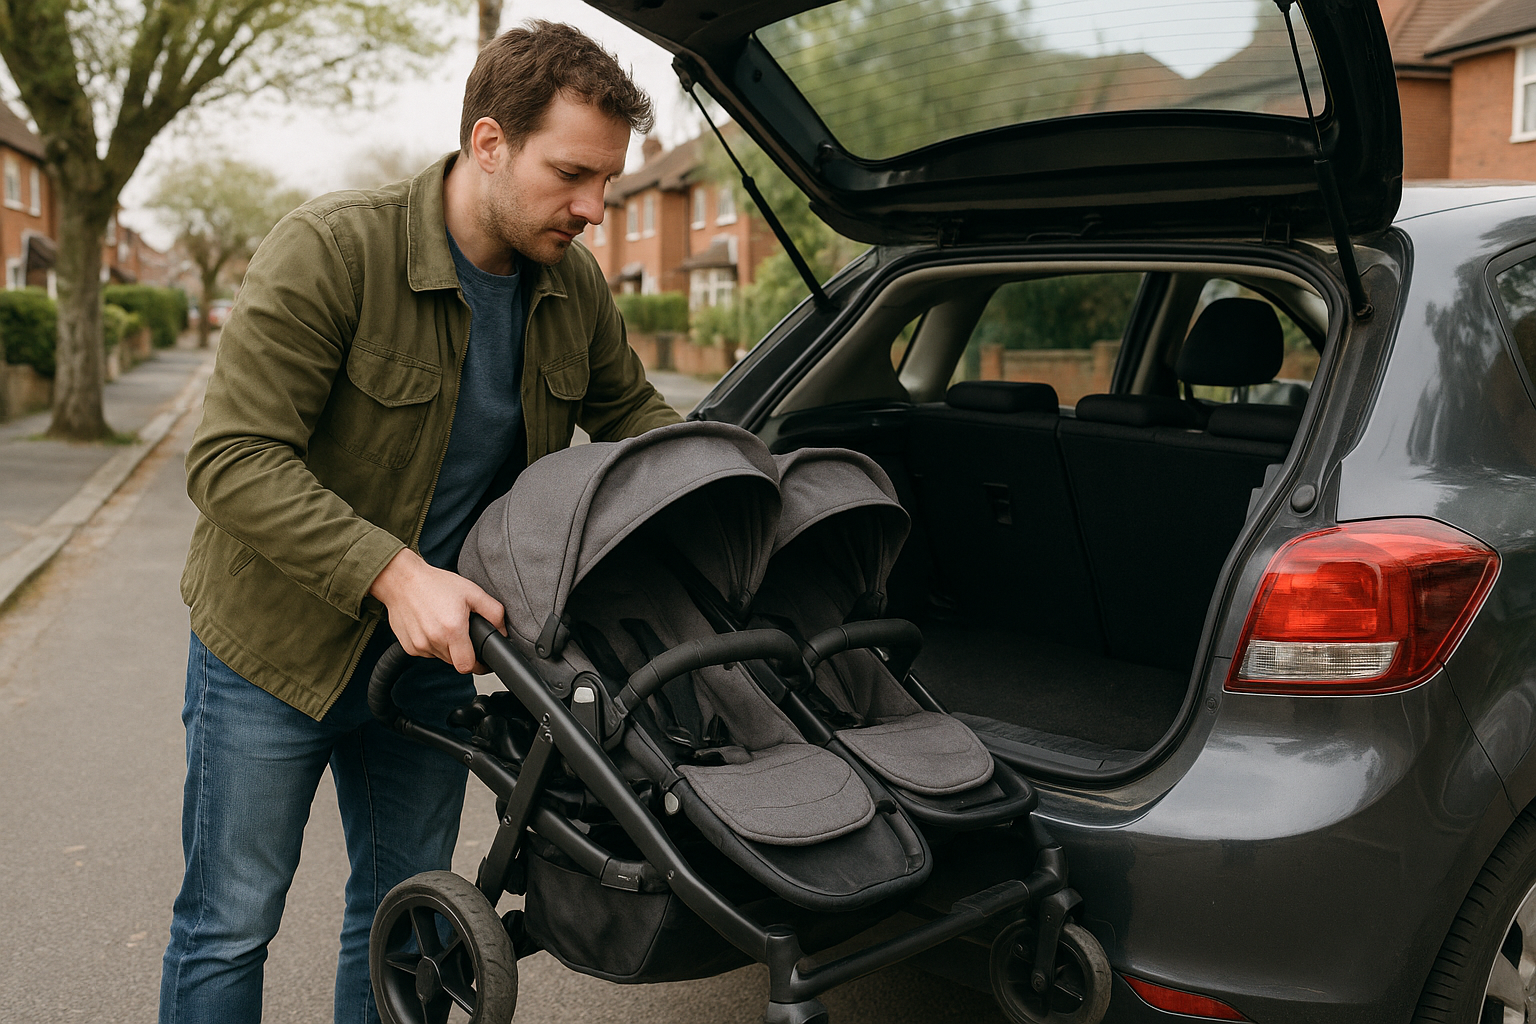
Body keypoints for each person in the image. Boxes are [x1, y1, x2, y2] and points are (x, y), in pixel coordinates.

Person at [159, 21, 681, 1024]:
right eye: (572, 173)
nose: (595, 209)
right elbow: (231, 458)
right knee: (229, 920)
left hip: (434, 668)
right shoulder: (333, 251)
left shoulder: (573, 289)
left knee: (404, 916)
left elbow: (638, 427)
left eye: (607, 181)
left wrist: (741, 476)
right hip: (270, 655)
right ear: (489, 143)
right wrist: (398, 573)